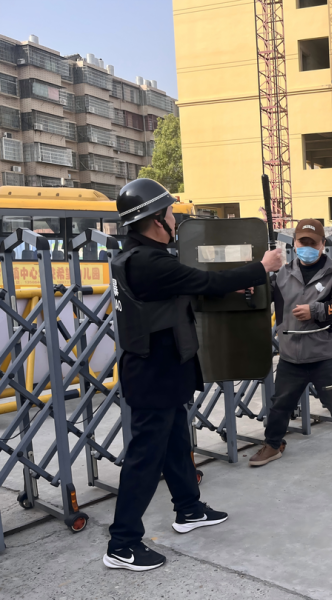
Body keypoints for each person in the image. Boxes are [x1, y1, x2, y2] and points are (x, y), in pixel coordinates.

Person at [105, 179, 283, 572]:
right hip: (154, 373)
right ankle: (122, 543)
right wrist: (261, 267)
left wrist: (231, 290)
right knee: (144, 459)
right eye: (170, 212)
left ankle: (188, 509)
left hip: (162, 368)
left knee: (174, 444)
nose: (175, 218)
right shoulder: (150, 263)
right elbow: (206, 281)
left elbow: (187, 291)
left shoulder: (137, 256)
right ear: (156, 219)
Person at [248, 219, 332, 470]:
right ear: (294, 244)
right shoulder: (282, 274)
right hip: (290, 356)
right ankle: (273, 444)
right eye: (302, 242)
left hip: (323, 356)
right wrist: (250, 287)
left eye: (312, 243)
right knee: (280, 404)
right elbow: (260, 298)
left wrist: (315, 310)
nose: (307, 247)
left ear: (322, 244)